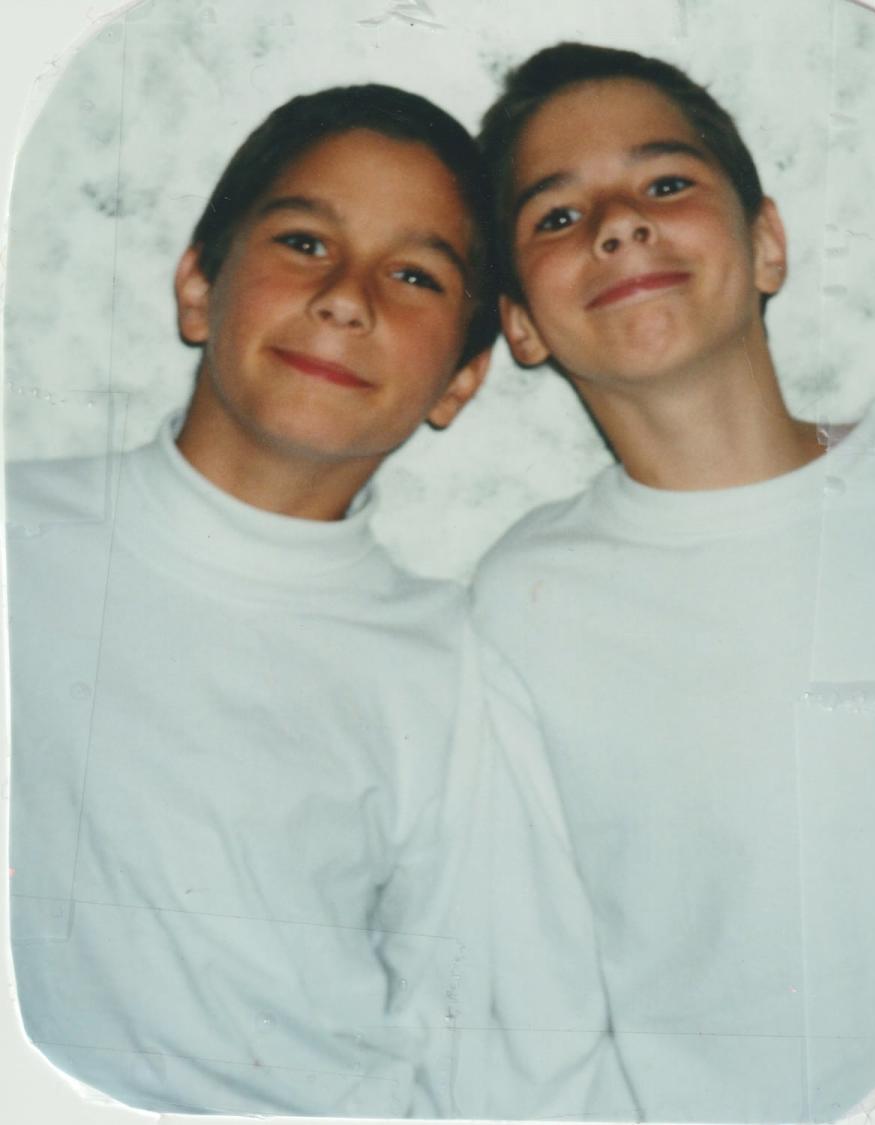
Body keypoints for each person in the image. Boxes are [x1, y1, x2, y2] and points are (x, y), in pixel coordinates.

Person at [7, 83, 610, 1119]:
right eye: (302, 242)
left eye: (414, 275)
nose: (346, 296)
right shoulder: (23, 539)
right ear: (198, 284)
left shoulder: (450, 671)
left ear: (460, 382)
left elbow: (515, 1050)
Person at [472, 42, 875, 1124]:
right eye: (557, 216)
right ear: (520, 325)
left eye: (666, 183)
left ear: (768, 242)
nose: (619, 225)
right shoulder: (520, 605)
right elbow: (536, 1015)